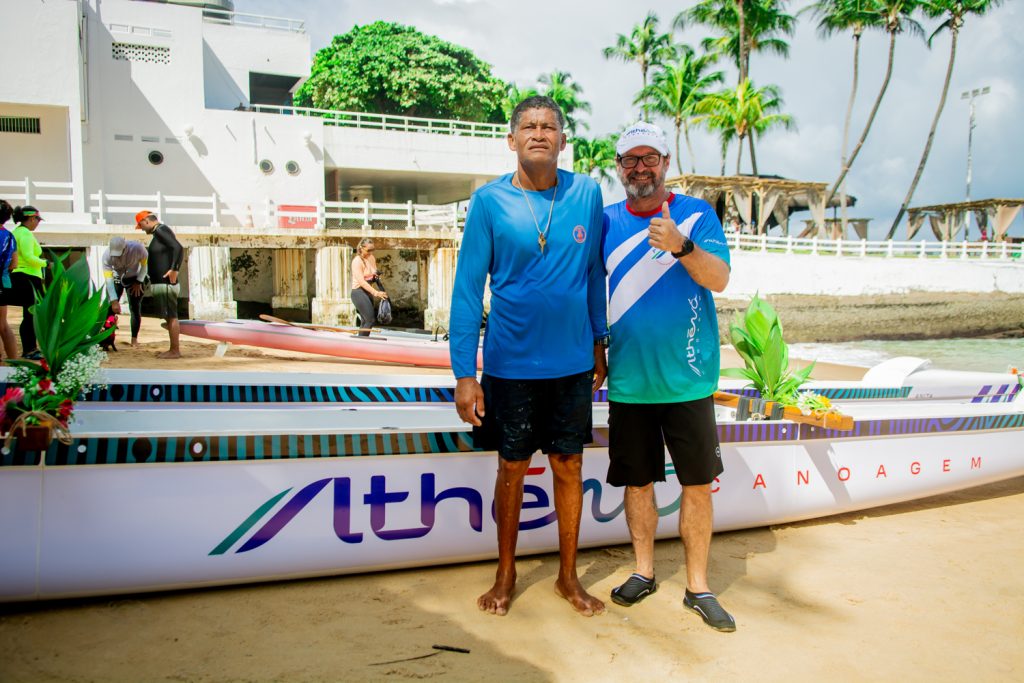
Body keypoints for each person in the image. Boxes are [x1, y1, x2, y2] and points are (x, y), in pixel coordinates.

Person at [449, 95, 609, 617]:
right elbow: (469, 291)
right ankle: (506, 573)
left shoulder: (586, 193)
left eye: (550, 126)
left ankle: (567, 577)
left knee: (569, 464)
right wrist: (463, 374)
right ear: (512, 139)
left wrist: (598, 340)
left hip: (571, 365)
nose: (540, 133)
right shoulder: (489, 202)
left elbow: (592, 276)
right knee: (512, 469)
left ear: (563, 140)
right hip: (509, 365)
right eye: (529, 126)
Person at [600, 121, 735, 632]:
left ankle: (698, 586)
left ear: (665, 162)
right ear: (620, 168)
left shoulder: (696, 215)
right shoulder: (607, 220)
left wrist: (680, 245)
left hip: (689, 379)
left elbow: (719, 279)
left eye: (648, 158)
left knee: (697, 484)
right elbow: (594, 290)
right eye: (630, 159)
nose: (640, 167)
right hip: (630, 381)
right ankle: (643, 571)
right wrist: (595, 347)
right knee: (638, 482)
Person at [134, 211, 183, 358]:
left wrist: (174, 269)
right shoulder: (159, 233)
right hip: (161, 283)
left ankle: (175, 350)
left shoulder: (161, 230)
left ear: (146, 221)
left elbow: (178, 247)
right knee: (168, 317)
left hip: (165, 283)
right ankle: (173, 348)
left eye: (141, 225)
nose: (141, 229)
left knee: (171, 316)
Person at [10, 205, 48, 359]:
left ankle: (30, 348)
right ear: (32, 218)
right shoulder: (25, 234)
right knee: (30, 315)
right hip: (29, 277)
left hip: (20, 276)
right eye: (37, 220)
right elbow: (28, 257)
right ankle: (30, 349)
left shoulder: (16, 232)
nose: (38, 223)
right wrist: (46, 263)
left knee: (29, 315)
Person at [103, 236, 148, 347]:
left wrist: (139, 282)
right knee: (110, 309)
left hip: (135, 278)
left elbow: (144, 266)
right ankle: (107, 338)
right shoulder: (106, 255)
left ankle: (134, 339)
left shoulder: (138, 248)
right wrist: (114, 300)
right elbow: (108, 279)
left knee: (135, 307)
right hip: (117, 278)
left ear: (125, 248)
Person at [350, 237, 387, 337]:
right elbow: (361, 282)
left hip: (367, 291)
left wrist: (376, 275)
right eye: (368, 250)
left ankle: (360, 343)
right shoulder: (357, 261)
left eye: (372, 250)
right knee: (370, 320)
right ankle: (362, 343)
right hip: (358, 292)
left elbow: (373, 272)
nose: (371, 252)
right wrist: (376, 293)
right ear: (361, 248)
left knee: (365, 321)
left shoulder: (371, 258)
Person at [0, 200, 18, 360]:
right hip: (3, 282)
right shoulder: (10, 236)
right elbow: (14, 263)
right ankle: (14, 362)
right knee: (3, 325)